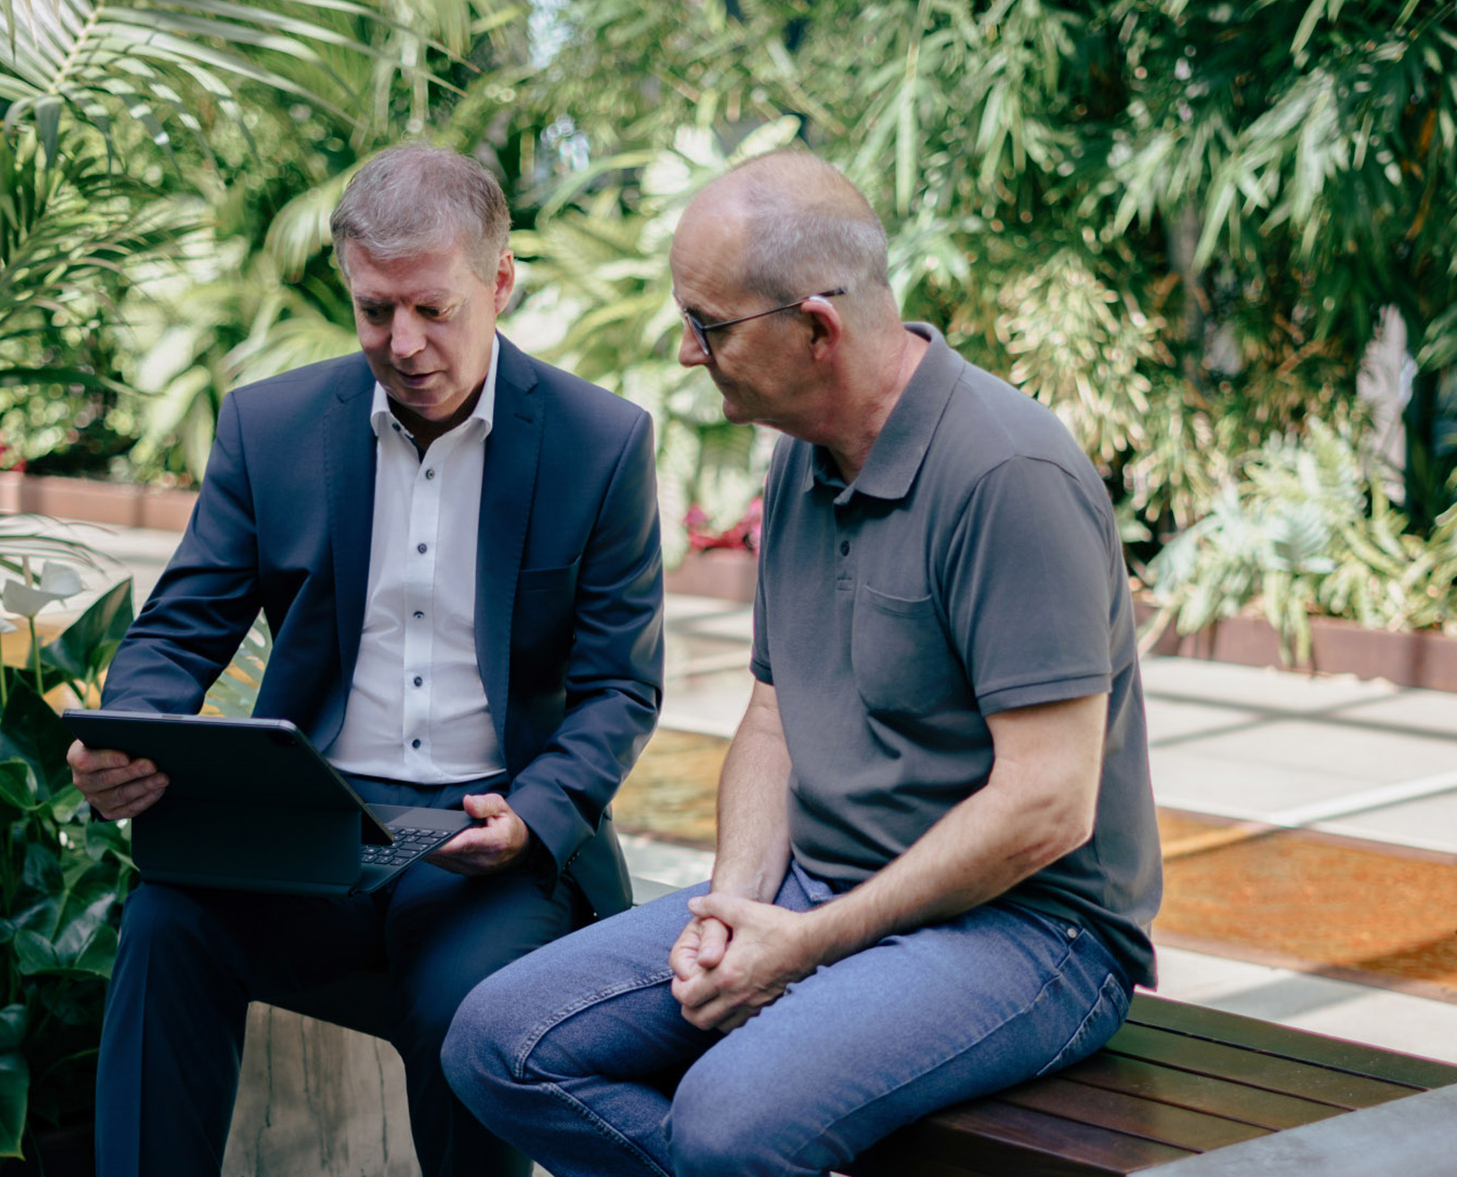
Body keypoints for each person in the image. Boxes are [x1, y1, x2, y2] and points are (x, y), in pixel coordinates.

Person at [443, 149, 1163, 1176]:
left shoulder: (1010, 475)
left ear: (816, 329)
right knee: (498, 1043)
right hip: (815, 892)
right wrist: (732, 910)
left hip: (1032, 932)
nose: (689, 354)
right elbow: (775, 721)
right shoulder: (803, 456)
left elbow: (1050, 806)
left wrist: (811, 943)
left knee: (729, 1126)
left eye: (708, 325)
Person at [70, 144, 665, 1177]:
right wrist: (136, 736)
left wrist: (535, 815)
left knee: (469, 1013)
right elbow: (179, 627)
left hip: (492, 841)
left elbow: (620, 686)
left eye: (434, 309)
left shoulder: (598, 443)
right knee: (168, 926)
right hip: (316, 826)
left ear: (501, 280)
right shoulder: (273, 426)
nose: (405, 343)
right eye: (375, 310)